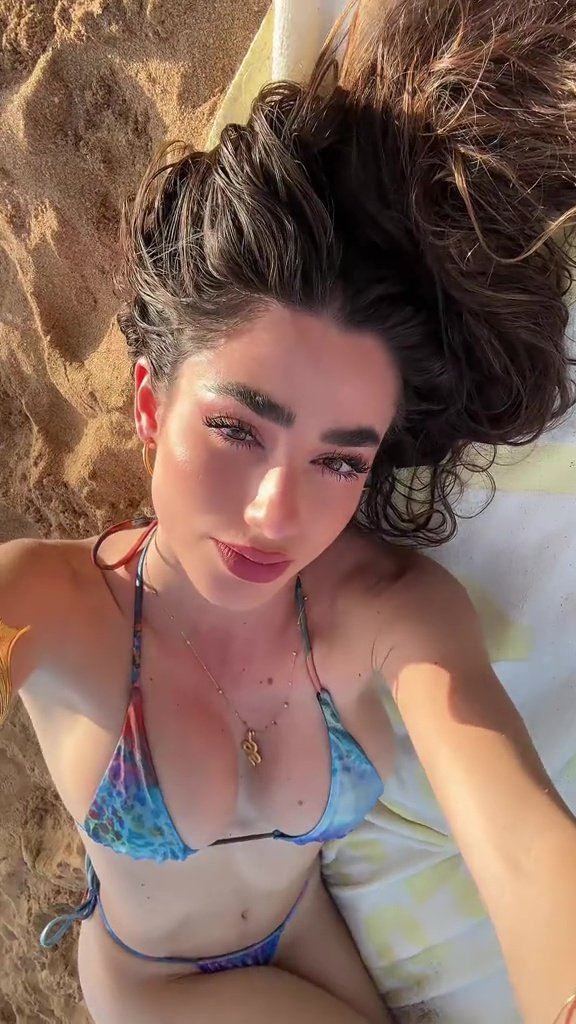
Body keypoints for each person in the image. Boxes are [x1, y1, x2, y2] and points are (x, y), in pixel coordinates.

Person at [1, 1, 576, 1022]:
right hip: (157, 984)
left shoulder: (387, 607)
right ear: (150, 406)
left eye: (339, 459)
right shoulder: (42, 602)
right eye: (236, 428)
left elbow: (529, 847)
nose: (276, 511)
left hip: (307, 932)